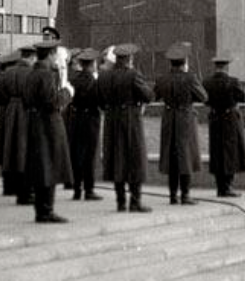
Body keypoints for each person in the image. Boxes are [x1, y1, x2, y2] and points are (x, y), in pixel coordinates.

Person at [97, 42, 153, 213]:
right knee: (134, 158)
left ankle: (120, 202)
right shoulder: (133, 75)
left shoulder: (104, 76)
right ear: (129, 59)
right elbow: (148, 95)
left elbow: (99, 99)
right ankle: (135, 202)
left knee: (116, 159)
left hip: (111, 120)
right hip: (130, 120)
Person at [24, 39, 74, 223]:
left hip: (35, 122)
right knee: (50, 165)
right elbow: (52, 102)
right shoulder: (46, 74)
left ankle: (41, 209)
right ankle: (46, 210)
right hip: (48, 124)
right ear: (51, 54)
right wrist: (67, 92)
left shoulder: (33, 73)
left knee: (41, 166)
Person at [154, 44, 207, 205]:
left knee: (171, 155)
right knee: (186, 156)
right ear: (185, 62)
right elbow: (203, 97)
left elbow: (155, 95)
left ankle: (172, 195)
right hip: (185, 118)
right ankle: (185, 194)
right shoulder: (190, 78)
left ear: (170, 63)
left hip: (169, 118)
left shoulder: (163, 79)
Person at [0, 45, 36, 203]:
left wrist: (10, 103)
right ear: (32, 57)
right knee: (26, 148)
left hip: (9, 111)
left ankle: (8, 186)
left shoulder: (6, 74)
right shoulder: (33, 73)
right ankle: (25, 189)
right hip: (27, 112)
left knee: (8, 147)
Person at [203, 55, 245, 197]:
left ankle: (220, 186)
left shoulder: (207, 82)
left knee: (217, 151)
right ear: (227, 67)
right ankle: (228, 186)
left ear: (215, 67)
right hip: (230, 120)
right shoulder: (233, 81)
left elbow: (205, 100)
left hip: (215, 119)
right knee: (231, 152)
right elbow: (244, 97)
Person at [67, 48, 102, 202]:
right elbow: (100, 102)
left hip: (76, 118)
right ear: (92, 64)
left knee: (77, 153)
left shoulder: (74, 80)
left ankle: (76, 189)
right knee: (90, 154)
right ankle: (89, 189)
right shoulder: (94, 82)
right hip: (90, 120)